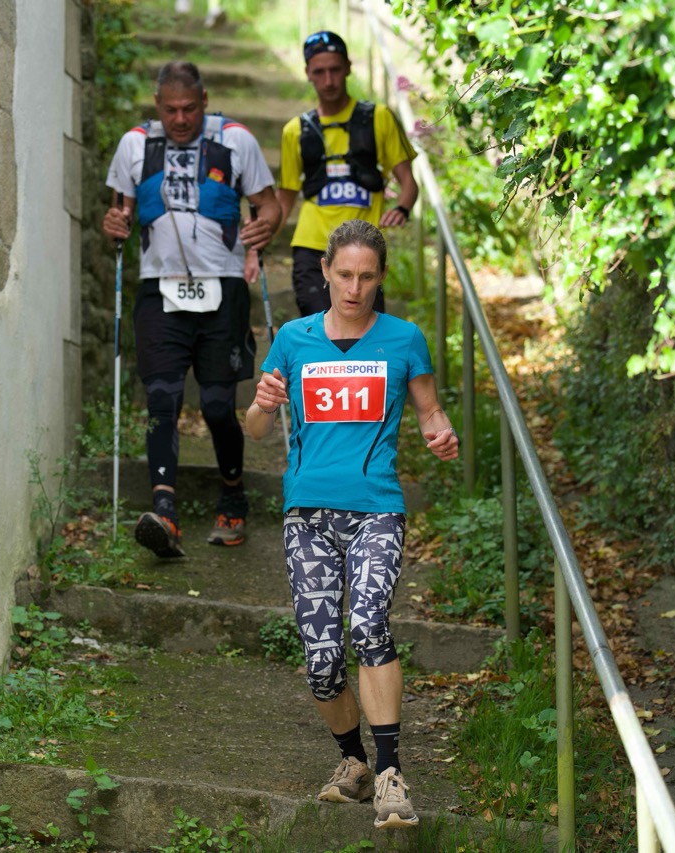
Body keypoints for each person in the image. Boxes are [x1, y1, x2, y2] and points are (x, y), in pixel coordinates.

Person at [245, 219, 458, 829]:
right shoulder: (293, 339)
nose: (354, 288)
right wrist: (261, 404)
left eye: (366, 277)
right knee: (320, 656)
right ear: (325, 272)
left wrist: (441, 433)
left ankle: (390, 773)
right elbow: (255, 429)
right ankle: (354, 763)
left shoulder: (404, 339)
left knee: (367, 624)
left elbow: (430, 411)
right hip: (306, 515)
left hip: (376, 510)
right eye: (344, 275)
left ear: (381, 276)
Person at [103, 60, 282, 558]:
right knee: (161, 399)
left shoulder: (236, 140)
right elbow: (119, 211)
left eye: (189, 109)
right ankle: (164, 512)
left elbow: (269, 204)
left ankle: (233, 496)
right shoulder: (135, 145)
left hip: (222, 287)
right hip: (159, 289)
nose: (180, 119)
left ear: (204, 101)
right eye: (170, 110)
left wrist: (266, 226)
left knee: (219, 407)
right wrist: (114, 224)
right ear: (157, 106)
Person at [271, 30, 419, 317]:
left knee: (364, 335)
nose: (328, 80)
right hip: (312, 249)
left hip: (364, 252)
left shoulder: (379, 118)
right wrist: (258, 246)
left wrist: (401, 207)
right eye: (319, 72)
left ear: (349, 67)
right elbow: (284, 199)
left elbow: (408, 183)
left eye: (335, 70)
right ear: (308, 73)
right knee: (319, 333)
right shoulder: (294, 131)